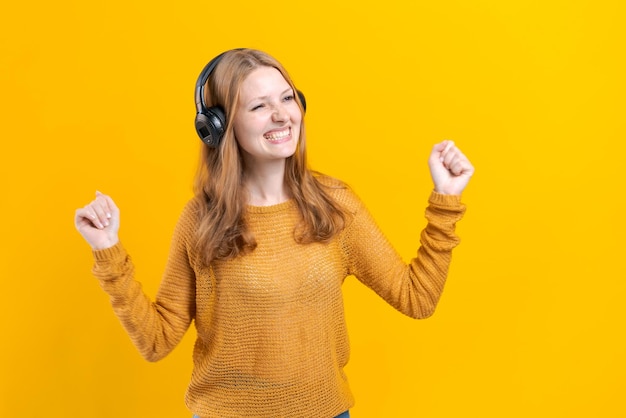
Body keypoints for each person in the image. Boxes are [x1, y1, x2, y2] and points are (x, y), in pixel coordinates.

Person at [74, 48, 474, 418]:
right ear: (217, 126)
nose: (282, 115)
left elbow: (417, 299)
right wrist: (108, 251)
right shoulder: (202, 219)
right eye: (259, 106)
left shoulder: (335, 204)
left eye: (286, 98)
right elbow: (156, 341)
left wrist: (446, 200)